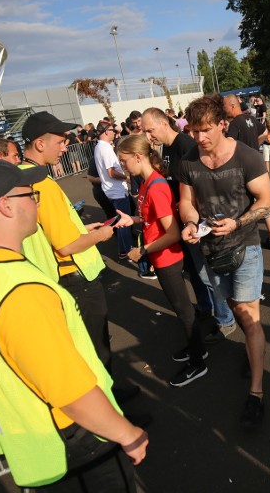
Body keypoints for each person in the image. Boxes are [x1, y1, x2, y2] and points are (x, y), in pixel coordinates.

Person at [0, 160, 147, 490]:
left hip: (32, 440)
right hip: (75, 440)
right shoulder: (21, 290)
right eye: (31, 195)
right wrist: (127, 433)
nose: (37, 202)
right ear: (6, 206)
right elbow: (69, 391)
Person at [18, 112, 143, 407]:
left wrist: (83, 227)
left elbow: (50, 230)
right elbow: (66, 245)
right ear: (39, 144)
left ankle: (109, 393)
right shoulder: (42, 185)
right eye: (61, 142)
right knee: (94, 348)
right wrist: (102, 235)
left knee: (88, 346)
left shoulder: (20, 178)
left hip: (54, 275)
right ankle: (109, 410)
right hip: (75, 277)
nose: (65, 147)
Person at [177, 94, 270, 428]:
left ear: (222, 124)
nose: (199, 138)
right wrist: (191, 223)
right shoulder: (189, 161)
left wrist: (239, 221)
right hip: (210, 253)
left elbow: (266, 201)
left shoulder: (246, 157)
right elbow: (186, 203)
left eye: (205, 130)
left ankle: (256, 393)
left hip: (244, 245)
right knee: (235, 310)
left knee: (249, 317)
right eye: (194, 131)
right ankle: (252, 348)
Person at [114, 135, 208, 387]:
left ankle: (198, 362)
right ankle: (196, 348)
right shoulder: (146, 183)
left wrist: (142, 251)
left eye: (124, 161)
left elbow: (173, 232)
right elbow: (150, 220)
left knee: (184, 311)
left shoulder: (155, 186)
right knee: (183, 310)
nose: (123, 166)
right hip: (161, 255)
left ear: (138, 156)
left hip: (167, 257)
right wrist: (130, 220)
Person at [140, 107, 236, 343]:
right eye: (144, 131)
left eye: (150, 130)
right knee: (198, 274)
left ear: (164, 123)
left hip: (199, 222)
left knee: (210, 275)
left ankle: (225, 320)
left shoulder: (185, 145)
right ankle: (209, 311)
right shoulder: (168, 149)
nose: (148, 135)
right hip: (185, 221)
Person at [223, 94, 270, 251]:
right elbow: (264, 133)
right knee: (264, 200)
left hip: (242, 168)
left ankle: (247, 239)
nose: (223, 109)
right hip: (257, 163)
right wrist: (256, 145)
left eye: (225, 106)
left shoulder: (235, 124)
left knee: (246, 202)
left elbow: (229, 143)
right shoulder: (251, 119)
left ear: (233, 106)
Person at [92, 120, 134, 260]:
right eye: (113, 130)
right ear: (106, 131)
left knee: (121, 220)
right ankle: (126, 250)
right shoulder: (105, 148)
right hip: (116, 191)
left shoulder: (100, 147)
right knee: (123, 222)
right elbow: (111, 172)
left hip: (111, 190)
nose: (115, 133)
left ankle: (125, 248)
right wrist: (127, 178)